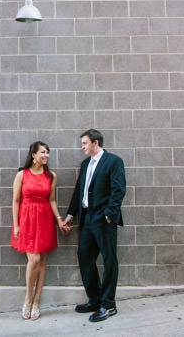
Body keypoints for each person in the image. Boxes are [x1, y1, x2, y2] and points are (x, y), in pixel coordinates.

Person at [62, 129, 126, 323]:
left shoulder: (113, 161)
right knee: (84, 256)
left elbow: (119, 189)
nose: (82, 147)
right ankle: (95, 300)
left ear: (95, 143)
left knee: (109, 260)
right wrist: (71, 214)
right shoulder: (85, 164)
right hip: (86, 219)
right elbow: (78, 190)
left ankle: (108, 304)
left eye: (84, 143)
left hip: (103, 219)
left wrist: (108, 215)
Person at [10, 141, 68, 320]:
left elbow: (51, 200)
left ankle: (36, 301)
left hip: (44, 219)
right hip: (26, 220)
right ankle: (27, 299)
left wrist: (59, 220)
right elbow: (16, 201)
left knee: (42, 261)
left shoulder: (51, 176)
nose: (46, 156)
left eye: (48, 153)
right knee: (33, 259)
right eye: (43, 152)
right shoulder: (22, 175)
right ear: (33, 155)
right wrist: (16, 225)